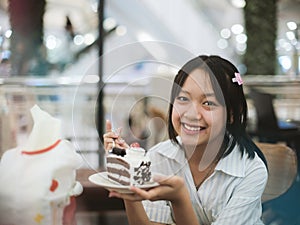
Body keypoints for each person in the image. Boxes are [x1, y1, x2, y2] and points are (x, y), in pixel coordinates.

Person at [103, 55, 268, 225]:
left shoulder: (251, 170)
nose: (191, 114)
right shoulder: (158, 157)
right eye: (183, 99)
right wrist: (129, 183)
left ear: (232, 114)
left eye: (208, 103)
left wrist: (179, 199)